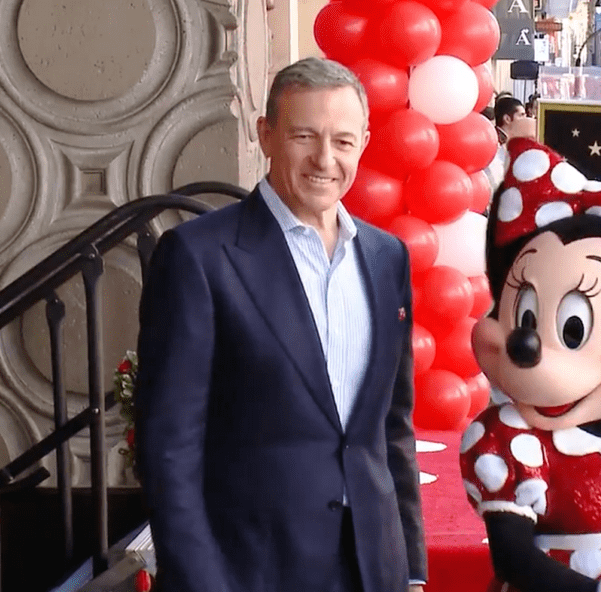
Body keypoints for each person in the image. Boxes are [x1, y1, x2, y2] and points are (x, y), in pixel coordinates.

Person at [135, 57, 427, 592]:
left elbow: (392, 429)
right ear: (265, 134)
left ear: (364, 141)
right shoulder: (198, 258)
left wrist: (409, 569)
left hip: (372, 569)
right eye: (303, 135)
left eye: (342, 140)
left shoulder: (388, 258)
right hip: (250, 572)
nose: (324, 159)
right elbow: (168, 451)